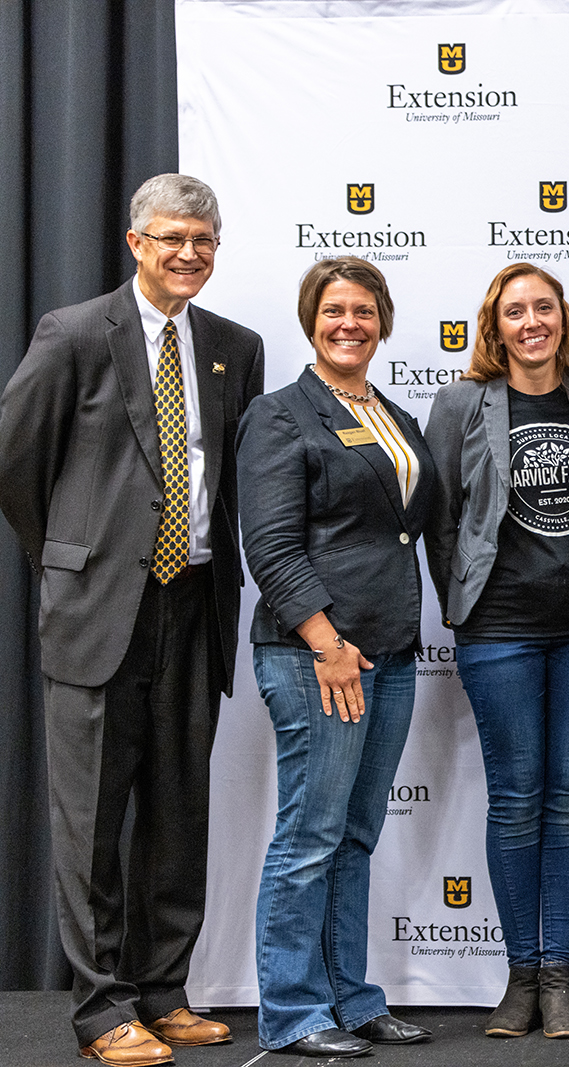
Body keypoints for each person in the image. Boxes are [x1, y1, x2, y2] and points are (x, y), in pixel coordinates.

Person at [0, 174, 262, 1067]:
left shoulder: (235, 345)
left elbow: (226, 478)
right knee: (92, 823)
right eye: (172, 238)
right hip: (97, 611)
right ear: (134, 241)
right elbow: (16, 460)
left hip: (194, 605)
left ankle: (163, 990)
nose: (188, 253)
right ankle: (102, 1008)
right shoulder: (74, 333)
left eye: (204, 240)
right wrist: (66, 556)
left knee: (180, 812)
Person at [239, 256, 437, 1059]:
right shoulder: (281, 414)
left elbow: (403, 528)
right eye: (333, 311)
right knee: (308, 837)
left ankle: (351, 997)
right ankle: (292, 1009)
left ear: (383, 320)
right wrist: (327, 644)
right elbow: (272, 545)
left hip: (388, 650)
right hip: (318, 655)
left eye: (362, 310)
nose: (347, 323)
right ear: (310, 321)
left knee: (353, 835)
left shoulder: (394, 414)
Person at [424, 265, 569, 1040]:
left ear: (561, 317)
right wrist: (463, 598)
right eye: (516, 311)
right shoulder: (460, 403)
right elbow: (440, 515)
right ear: (496, 325)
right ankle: (518, 976)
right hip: (498, 629)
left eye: (544, 306)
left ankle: (559, 974)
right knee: (514, 796)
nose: (532, 320)